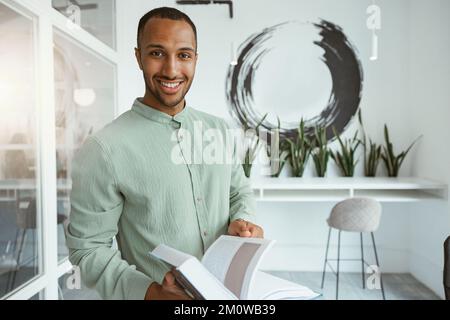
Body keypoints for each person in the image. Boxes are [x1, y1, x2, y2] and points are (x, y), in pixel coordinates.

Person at [66, 7, 264, 300]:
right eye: (157, 53)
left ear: (195, 59)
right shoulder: (104, 149)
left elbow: (238, 193)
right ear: (138, 57)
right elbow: (88, 248)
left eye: (184, 55)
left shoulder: (219, 130)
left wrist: (244, 221)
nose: (171, 70)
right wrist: (149, 292)